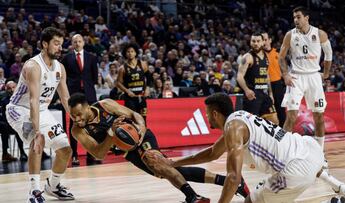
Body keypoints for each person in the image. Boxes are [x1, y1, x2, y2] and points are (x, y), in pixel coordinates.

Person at [172, 93, 345, 203]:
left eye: (207, 115)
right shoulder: (239, 118)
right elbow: (213, 153)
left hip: (294, 169)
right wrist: (174, 163)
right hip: (309, 149)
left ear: (215, 114)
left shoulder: (233, 128)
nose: (207, 118)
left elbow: (234, 178)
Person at [68, 93, 250, 203]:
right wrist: (111, 134)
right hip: (127, 150)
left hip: (142, 136)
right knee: (168, 170)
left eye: (78, 114)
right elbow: (98, 153)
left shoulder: (104, 105)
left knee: (157, 162)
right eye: (73, 116)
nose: (76, 118)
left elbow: (134, 114)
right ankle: (230, 182)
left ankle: (193, 197)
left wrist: (140, 127)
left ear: (87, 107)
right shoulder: (77, 130)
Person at [5, 27, 74, 202]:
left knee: (65, 149)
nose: (60, 48)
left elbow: (65, 97)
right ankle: (34, 191)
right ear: (45, 44)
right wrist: (37, 130)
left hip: (41, 110)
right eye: (56, 44)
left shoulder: (60, 68)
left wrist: (76, 119)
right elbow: (33, 100)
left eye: (61, 44)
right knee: (37, 141)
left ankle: (53, 185)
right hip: (18, 110)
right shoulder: (32, 66)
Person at [279, 6, 332, 150]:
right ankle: (283, 151)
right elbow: (281, 57)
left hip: (314, 77)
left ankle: (320, 152)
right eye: (294, 17)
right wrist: (285, 74)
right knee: (291, 117)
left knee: (319, 117)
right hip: (296, 77)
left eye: (298, 17)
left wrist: (326, 74)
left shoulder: (320, 34)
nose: (295, 20)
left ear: (306, 18)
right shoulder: (290, 35)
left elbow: (329, 55)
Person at [61, 33, 98, 166]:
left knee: (91, 124)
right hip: (74, 96)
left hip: (89, 95)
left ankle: (91, 153)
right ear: (72, 44)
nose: (77, 43)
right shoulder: (66, 58)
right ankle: (75, 154)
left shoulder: (92, 58)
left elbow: (94, 78)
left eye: (79, 41)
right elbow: (63, 78)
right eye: (75, 42)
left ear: (84, 42)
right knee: (74, 125)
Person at [236, 32, 278, 124]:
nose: (255, 43)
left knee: (275, 123)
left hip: (264, 94)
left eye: (258, 41)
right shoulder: (248, 57)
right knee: (252, 126)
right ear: (250, 42)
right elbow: (239, 76)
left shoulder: (266, 56)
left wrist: (270, 93)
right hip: (252, 96)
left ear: (263, 42)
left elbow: (267, 76)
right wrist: (246, 90)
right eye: (253, 41)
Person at [116, 43, 149, 121]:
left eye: (132, 51)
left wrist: (147, 88)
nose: (130, 53)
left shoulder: (143, 64)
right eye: (128, 52)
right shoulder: (122, 68)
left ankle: (143, 133)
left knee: (143, 120)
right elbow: (118, 83)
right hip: (130, 98)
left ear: (135, 53)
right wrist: (127, 91)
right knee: (132, 120)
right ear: (125, 54)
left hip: (141, 96)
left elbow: (149, 78)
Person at [261, 32, 286, 127]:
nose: (264, 42)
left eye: (266, 40)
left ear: (270, 40)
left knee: (280, 109)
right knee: (267, 111)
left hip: (277, 84)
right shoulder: (260, 55)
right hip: (265, 85)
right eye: (262, 40)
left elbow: (284, 69)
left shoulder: (277, 53)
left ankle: (284, 132)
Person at [0, 80, 27, 162]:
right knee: (5, 126)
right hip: (8, 125)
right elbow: (4, 117)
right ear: (6, 90)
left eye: (13, 87)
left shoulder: (23, 99)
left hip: (21, 123)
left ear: (17, 87)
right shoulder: (4, 101)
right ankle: (6, 153)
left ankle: (39, 152)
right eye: (9, 88)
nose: (11, 90)